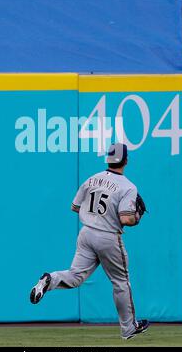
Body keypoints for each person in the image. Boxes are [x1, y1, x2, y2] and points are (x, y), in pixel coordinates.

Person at [30, 142, 149, 340]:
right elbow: (126, 218)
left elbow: (75, 207)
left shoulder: (92, 179)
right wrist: (136, 217)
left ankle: (50, 279)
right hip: (108, 236)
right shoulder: (128, 186)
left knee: (75, 276)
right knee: (120, 282)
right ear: (126, 160)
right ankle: (128, 328)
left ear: (108, 159)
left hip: (86, 234)